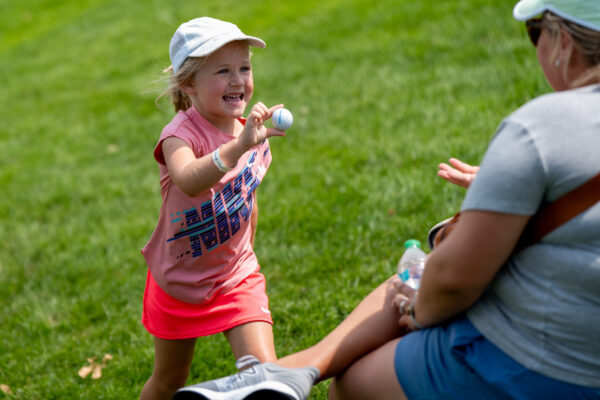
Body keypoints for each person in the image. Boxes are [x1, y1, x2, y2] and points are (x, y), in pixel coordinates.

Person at [172, 0, 600, 399]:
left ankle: (283, 374)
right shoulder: (186, 133)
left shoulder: (540, 127)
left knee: (359, 373)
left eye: (535, 31)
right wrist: (511, 189)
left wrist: (418, 310)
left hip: (544, 363)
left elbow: (452, 282)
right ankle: (284, 374)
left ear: (564, 41)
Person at [139, 17, 289, 400]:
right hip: (179, 282)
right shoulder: (178, 135)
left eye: (244, 67)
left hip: (235, 275)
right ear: (188, 84)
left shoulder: (250, 133)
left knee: (265, 377)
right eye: (223, 71)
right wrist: (238, 148)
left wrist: (247, 250)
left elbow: (246, 196)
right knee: (169, 381)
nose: (238, 80)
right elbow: (189, 178)